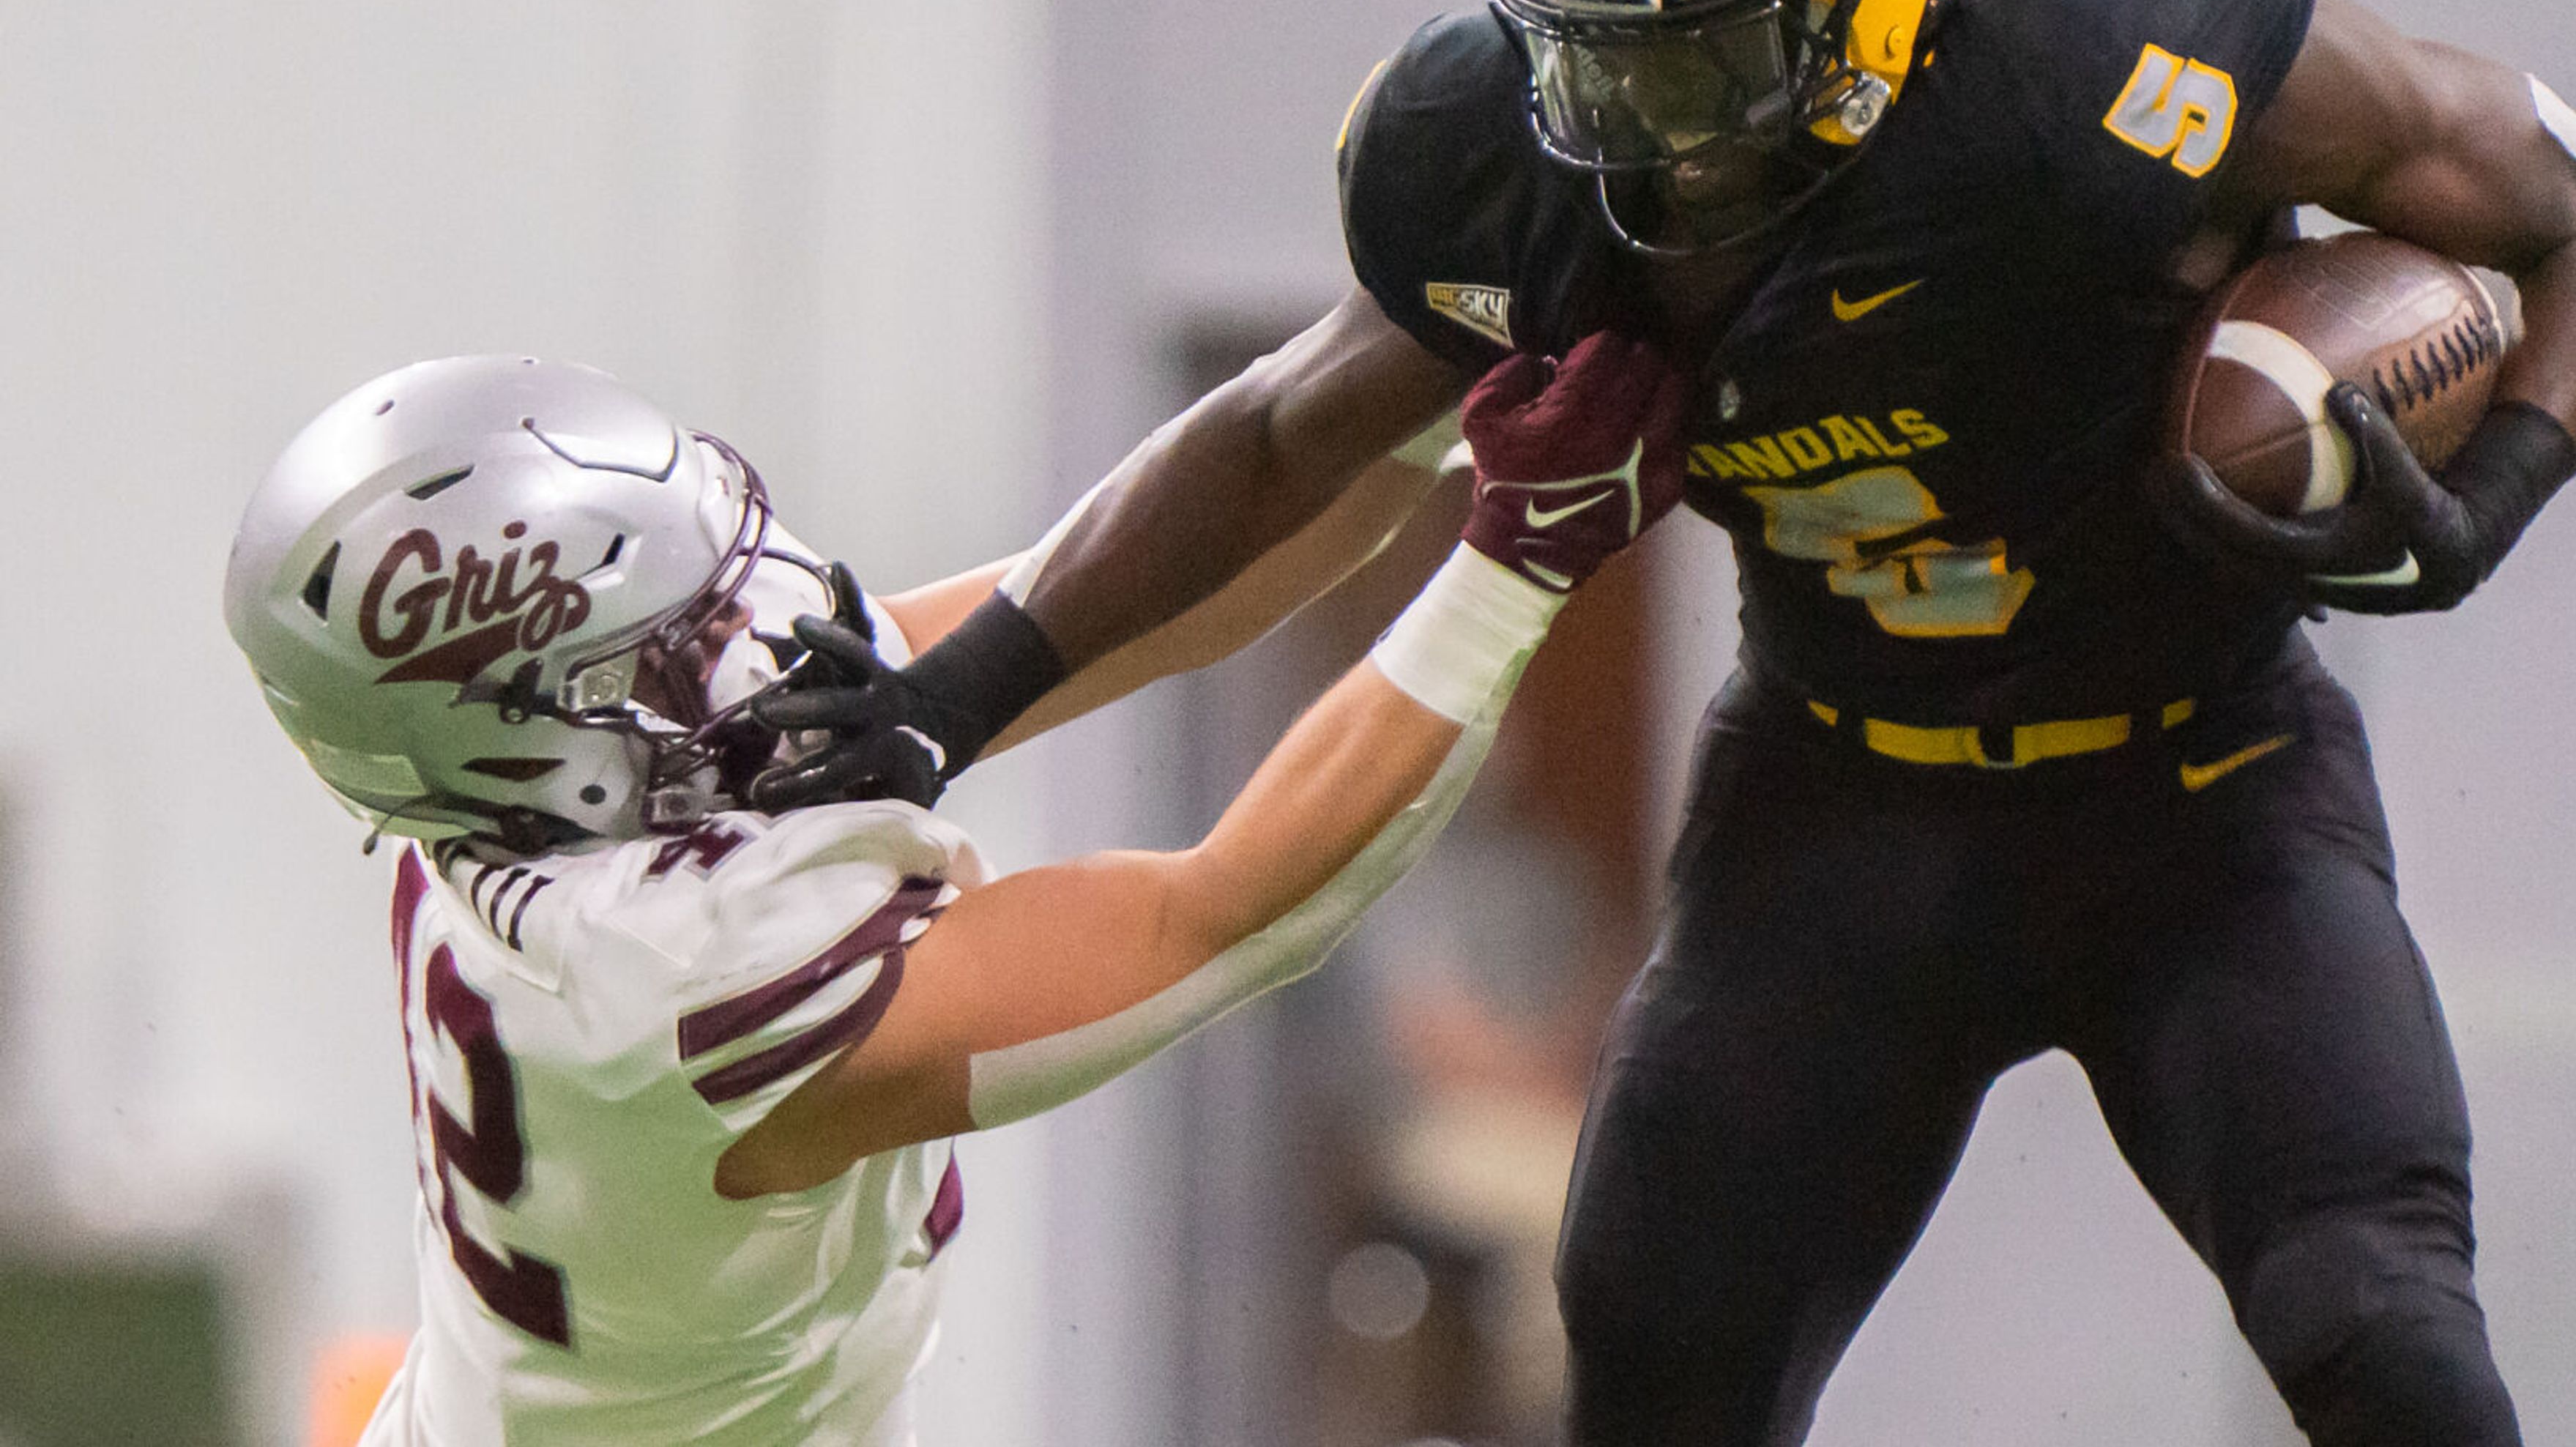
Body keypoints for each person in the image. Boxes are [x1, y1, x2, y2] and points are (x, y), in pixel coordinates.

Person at [752, 0, 2576, 1447]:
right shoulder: (1515, 150)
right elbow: (1275, 446)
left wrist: (2495, 488)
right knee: (1656, 1377)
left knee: (2391, 1341)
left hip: (2200, 803)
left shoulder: (2114, 69)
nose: (1632, 124)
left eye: (1696, 55)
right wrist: (956, 692)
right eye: (1587, 50)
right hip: (1844, 804)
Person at [220, 338, 1686, 1446]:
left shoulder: (530, 801)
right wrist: (1521, 558)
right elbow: (1228, 908)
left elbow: (1106, 615)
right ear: (548, 723)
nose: (753, 620)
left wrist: (1439, 395)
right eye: (676, 634)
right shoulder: (663, 980)